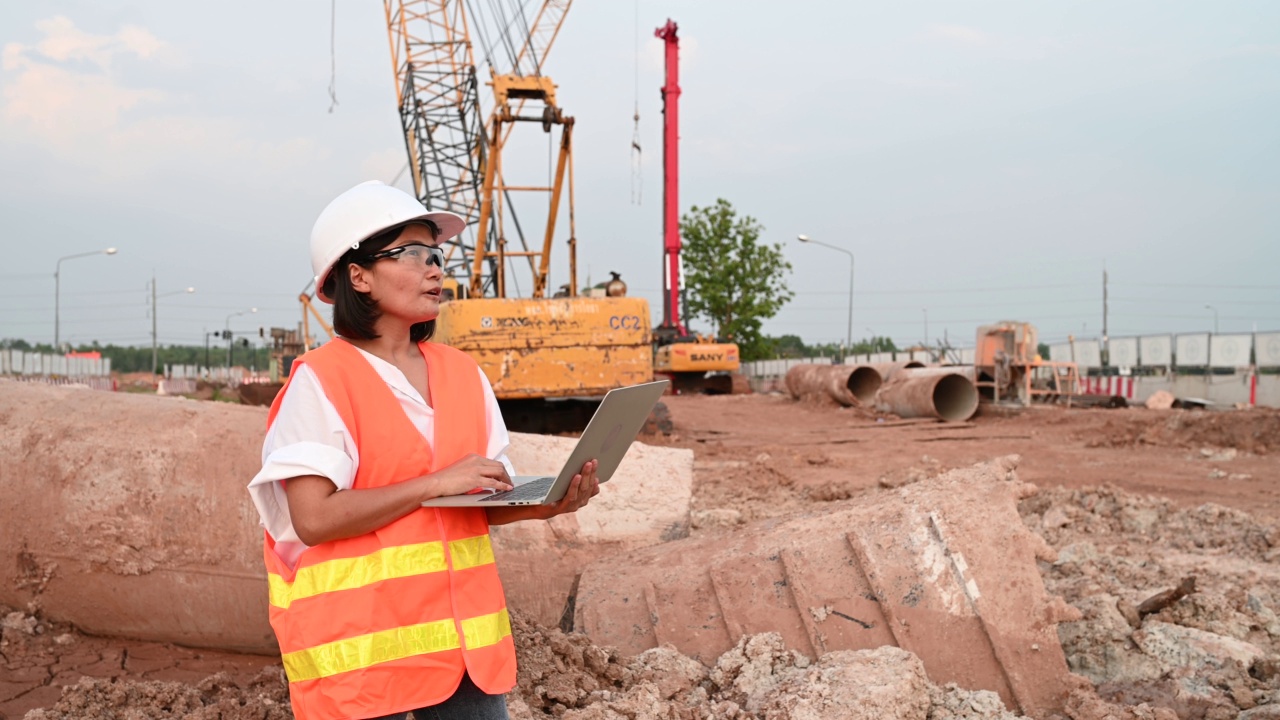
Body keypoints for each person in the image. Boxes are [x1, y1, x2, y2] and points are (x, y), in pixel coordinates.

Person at [247, 181, 600, 720]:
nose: (435, 269)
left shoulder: (462, 374)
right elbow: (314, 518)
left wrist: (551, 502)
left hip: (464, 657)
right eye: (413, 254)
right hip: (362, 661)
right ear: (358, 274)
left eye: (436, 255)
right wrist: (433, 482)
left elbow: (474, 501)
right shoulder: (321, 382)